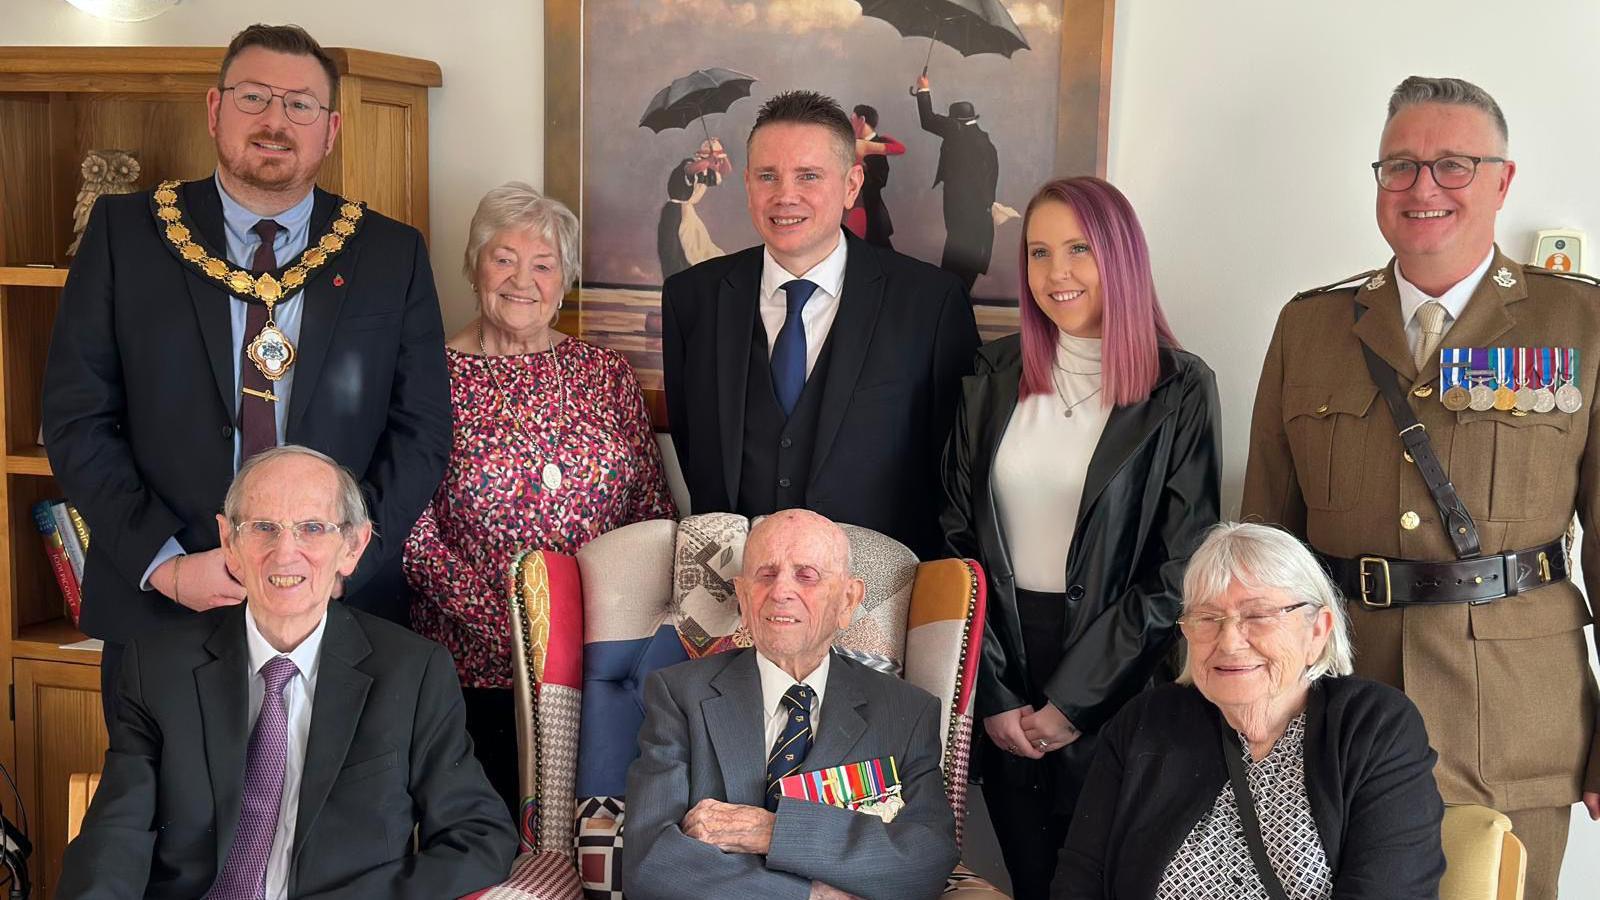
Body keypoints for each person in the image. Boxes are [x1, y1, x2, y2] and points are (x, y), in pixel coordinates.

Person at [1240, 75, 1600, 900]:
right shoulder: (1311, 326)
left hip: (1516, 714)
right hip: (1335, 701)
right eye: (1399, 166)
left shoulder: (1580, 325)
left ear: (1503, 180)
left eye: (1453, 166)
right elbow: (1265, 538)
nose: (1422, 188)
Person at [42, 23, 451, 731]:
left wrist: (338, 563)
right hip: (164, 607)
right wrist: (166, 565)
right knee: (163, 830)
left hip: (342, 611)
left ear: (330, 131)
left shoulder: (391, 254)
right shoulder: (126, 235)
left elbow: (420, 434)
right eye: (254, 97)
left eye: (299, 105)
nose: (274, 121)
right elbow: (77, 419)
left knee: (335, 832)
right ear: (214, 110)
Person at [58, 446, 516, 899]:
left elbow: (479, 836)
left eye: (313, 528)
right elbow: (115, 837)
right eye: (263, 528)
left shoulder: (412, 673)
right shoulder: (156, 667)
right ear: (229, 543)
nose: (285, 553)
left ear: (352, 546)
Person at [940, 176, 1221, 899]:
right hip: (1000, 664)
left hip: (1120, 673)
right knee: (1034, 882)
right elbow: (953, 538)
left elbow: (1182, 564)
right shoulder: (992, 376)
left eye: (1078, 250)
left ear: (1120, 258)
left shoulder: (1180, 389)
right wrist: (995, 692)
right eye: (1038, 252)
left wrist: (1075, 701)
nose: (1055, 274)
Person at [405, 181, 676, 816]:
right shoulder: (426, 376)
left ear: (565, 280)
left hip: (601, 670)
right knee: (491, 847)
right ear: (474, 267)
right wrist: (520, 630)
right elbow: (410, 530)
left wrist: (604, 636)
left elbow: (652, 514)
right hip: (475, 669)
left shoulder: (604, 373)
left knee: (598, 846)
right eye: (503, 258)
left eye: (543, 264)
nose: (521, 279)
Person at [663, 90, 979, 561]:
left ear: (852, 184)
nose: (785, 195)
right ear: (747, 183)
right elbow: (693, 444)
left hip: (877, 599)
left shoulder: (931, 304)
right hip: (733, 596)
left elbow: (952, 474)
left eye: (808, 175)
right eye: (767, 176)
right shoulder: (692, 298)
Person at [1057, 522, 1446, 899]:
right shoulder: (1145, 722)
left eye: (1257, 615)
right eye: (1208, 618)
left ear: (1317, 630)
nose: (1229, 641)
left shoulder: (1374, 726)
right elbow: (1080, 879)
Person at [622, 509, 958, 900]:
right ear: (744, 598)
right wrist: (805, 896)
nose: (781, 591)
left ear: (848, 600)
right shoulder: (680, 694)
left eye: (806, 575)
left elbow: (926, 860)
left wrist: (771, 831)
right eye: (765, 575)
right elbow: (649, 863)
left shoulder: (906, 711)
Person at [912, 74, 999, 293]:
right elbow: (992, 179)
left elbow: (928, 120)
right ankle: (957, 296)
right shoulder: (986, 143)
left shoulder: (956, 132)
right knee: (965, 258)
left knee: (955, 257)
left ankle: (950, 301)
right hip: (979, 212)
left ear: (956, 121)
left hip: (960, 209)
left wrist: (924, 89)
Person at [658, 137, 734, 280]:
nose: (719, 165)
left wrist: (722, 156)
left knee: (698, 247)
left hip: (687, 214)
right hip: (674, 213)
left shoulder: (708, 173)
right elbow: (690, 169)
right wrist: (709, 161)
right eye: (716, 161)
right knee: (674, 250)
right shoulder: (689, 165)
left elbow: (726, 171)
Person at [845, 104, 906, 248]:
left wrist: (857, 177)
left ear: (862, 120)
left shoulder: (875, 145)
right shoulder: (858, 144)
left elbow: (879, 180)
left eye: (852, 119)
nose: (850, 123)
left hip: (870, 213)